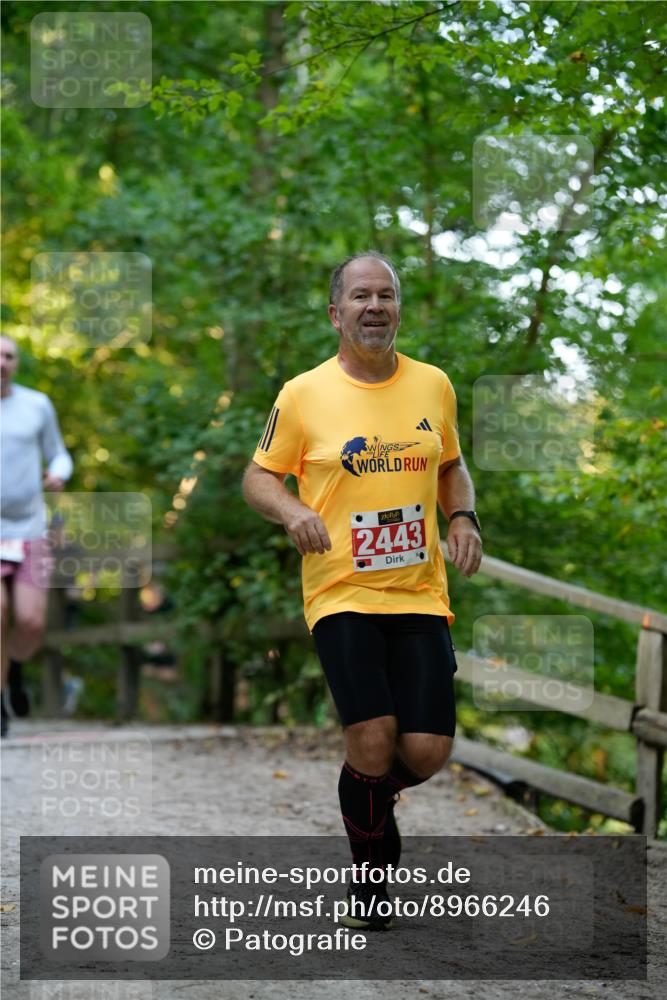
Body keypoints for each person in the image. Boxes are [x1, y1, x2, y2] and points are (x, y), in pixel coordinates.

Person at [242, 252, 482, 930]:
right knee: (372, 734)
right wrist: (291, 510)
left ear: (398, 308)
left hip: (418, 592)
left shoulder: (433, 385)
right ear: (335, 313)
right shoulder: (303, 393)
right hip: (340, 590)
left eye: (385, 296)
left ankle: (363, 791)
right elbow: (258, 478)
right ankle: (371, 886)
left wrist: (460, 514)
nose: (373, 307)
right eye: (359, 297)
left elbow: (452, 466)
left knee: (427, 751)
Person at [0, 335, 73, 737]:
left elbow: (59, 453)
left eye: (9, 355)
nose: (2, 362)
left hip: (29, 528)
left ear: (16, 363)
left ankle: (13, 671)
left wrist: (59, 473)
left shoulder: (36, 405)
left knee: (29, 622)